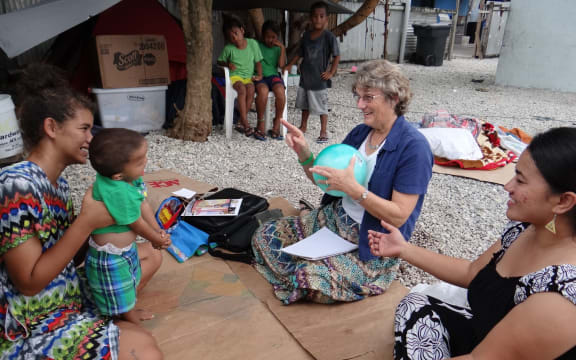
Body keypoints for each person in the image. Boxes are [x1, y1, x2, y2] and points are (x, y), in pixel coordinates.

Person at [0, 64, 163, 359]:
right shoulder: (15, 185)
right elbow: (28, 282)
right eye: (84, 129)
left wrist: (110, 227)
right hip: (31, 321)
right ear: (52, 128)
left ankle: (114, 313)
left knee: (150, 255)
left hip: (66, 292)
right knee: (144, 349)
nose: (91, 139)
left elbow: (68, 253)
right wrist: (87, 222)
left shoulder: (58, 184)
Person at [369, 127, 576, 359]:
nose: (507, 186)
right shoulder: (524, 229)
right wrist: (404, 249)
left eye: (520, 180)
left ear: (564, 201)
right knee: (416, 304)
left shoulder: (561, 293)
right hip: (487, 339)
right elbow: (472, 272)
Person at [252, 59, 433, 304]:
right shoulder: (361, 133)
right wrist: (304, 153)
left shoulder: (414, 148)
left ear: (393, 97)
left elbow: (399, 216)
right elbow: (326, 182)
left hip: (372, 241)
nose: (360, 105)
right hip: (336, 220)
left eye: (368, 97)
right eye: (358, 97)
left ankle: (344, 272)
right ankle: (310, 261)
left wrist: (355, 191)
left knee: (310, 278)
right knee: (264, 236)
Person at [86, 128, 171, 326]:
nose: (146, 162)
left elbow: (142, 204)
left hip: (126, 250)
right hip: (110, 258)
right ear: (117, 176)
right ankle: (129, 322)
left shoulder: (129, 179)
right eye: (140, 161)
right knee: (119, 292)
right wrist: (154, 238)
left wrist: (157, 229)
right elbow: (136, 223)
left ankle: (128, 309)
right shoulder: (117, 191)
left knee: (130, 282)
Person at [283, 1, 340, 144]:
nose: (318, 19)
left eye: (321, 16)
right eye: (315, 16)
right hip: (305, 77)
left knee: (322, 106)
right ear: (310, 18)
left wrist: (331, 72)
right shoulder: (306, 35)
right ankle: (303, 126)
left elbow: (337, 55)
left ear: (326, 19)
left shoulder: (329, 36)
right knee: (304, 104)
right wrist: (290, 64)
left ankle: (323, 131)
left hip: (319, 79)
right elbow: (300, 52)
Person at [217, 15, 263, 139]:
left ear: (242, 30)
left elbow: (258, 62)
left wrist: (260, 75)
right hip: (234, 77)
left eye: (236, 33)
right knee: (242, 89)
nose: (234, 38)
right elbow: (219, 61)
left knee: (251, 89)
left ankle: (240, 122)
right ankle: (245, 123)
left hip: (248, 77)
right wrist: (227, 64)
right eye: (230, 36)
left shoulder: (252, 44)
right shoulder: (228, 48)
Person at [254, 20, 287, 141]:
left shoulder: (278, 48)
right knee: (262, 92)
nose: (271, 40)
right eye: (268, 37)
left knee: (280, 91)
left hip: (273, 76)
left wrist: (282, 48)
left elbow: (282, 65)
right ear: (263, 36)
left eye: (274, 37)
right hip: (260, 76)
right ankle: (260, 122)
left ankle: (277, 123)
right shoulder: (257, 45)